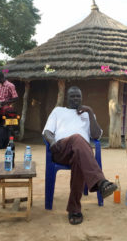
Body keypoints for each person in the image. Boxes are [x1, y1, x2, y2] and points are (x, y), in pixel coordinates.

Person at [43, 86, 117, 225]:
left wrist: (90, 112)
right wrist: (52, 141)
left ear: (82, 98)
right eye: (72, 96)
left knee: (80, 157)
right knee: (77, 138)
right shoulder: (59, 111)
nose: (75, 99)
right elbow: (47, 131)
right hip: (61, 149)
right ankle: (101, 182)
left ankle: (74, 208)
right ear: (67, 98)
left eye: (78, 96)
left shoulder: (87, 113)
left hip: (81, 153)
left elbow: (96, 136)